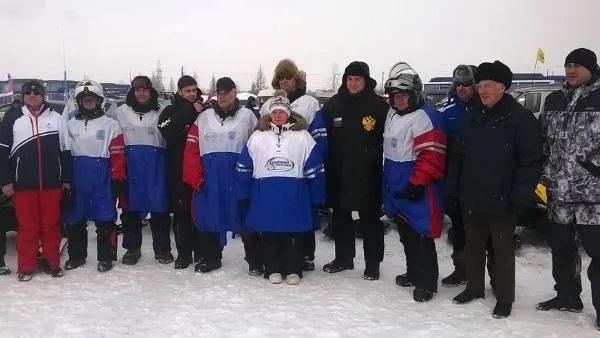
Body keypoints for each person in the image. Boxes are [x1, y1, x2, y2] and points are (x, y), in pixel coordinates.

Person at [446, 61, 542, 318]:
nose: (483, 90)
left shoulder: (519, 118)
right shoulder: (472, 116)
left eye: (489, 85)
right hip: (472, 195)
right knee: (473, 246)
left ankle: (504, 297)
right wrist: (453, 190)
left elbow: (530, 161)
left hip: (503, 198)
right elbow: (458, 156)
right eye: (481, 85)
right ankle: (474, 288)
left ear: (503, 87)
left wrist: (521, 195)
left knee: (502, 251)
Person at [537, 48, 600, 330]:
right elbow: (542, 141)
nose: (571, 71)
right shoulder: (554, 98)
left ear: (591, 67)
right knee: (561, 248)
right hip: (558, 193)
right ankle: (567, 296)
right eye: (567, 66)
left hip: (592, 195)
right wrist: (544, 173)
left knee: (598, 253)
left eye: (576, 66)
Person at [236, 96, 325, 284]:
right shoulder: (257, 136)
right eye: (274, 112)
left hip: (294, 191)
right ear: (269, 115)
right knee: (269, 232)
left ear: (289, 114)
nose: (278, 115)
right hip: (265, 192)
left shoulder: (303, 136)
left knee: (293, 232)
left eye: (282, 112)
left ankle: (293, 269)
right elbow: (245, 165)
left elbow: (314, 166)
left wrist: (317, 194)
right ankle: (272, 268)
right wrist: (242, 191)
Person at [382, 62, 446, 302]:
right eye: (395, 96)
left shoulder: (426, 116)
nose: (398, 100)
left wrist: (417, 183)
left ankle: (426, 282)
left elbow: (430, 155)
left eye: (403, 95)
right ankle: (412, 272)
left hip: (416, 181)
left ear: (414, 94)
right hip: (394, 178)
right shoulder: (394, 114)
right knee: (406, 233)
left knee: (421, 234)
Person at [183, 77, 258, 273]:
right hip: (210, 178)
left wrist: (254, 177)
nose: (223, 96)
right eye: (220, 92)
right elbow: (191, 149)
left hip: (239, 176)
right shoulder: (204, 117)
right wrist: (195, 177)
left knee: (246, 216)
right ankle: (211, 257)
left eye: (227, 92)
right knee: (210, 215)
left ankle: (255, 260)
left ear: (235, 93)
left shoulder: (248, 116)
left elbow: (259, 145)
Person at [321, 61, 388, 280]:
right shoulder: (333, 105)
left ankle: (372, 263)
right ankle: (343, 258)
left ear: (366, 81)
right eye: (349, 79)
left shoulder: (379, 106)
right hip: (339, 170)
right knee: (340, 216)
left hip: (369, 172)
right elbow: (323, 136)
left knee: (370, 220)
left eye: (357, 79)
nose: (353, 83)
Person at [0, 80, 72, 281]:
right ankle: (26, 266)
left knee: (51, 225)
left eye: (37, 92)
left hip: (51, 184)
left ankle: (52, 263)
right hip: (23, 184)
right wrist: (5, 180)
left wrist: (66, 179)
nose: (33, 95)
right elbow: (2, 152)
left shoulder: (57, 119)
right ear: (23, 96)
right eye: (29, 92)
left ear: (43, 95)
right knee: (27, 227)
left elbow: (66, 151)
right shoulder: (13, 118)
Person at [260, 59, 327, 272]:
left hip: (302, 163)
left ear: (296, 79)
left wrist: (317, 162)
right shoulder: (269, 103)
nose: (284, 82)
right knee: (278, 213)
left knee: (303, 211)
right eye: (281, 78)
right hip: (275, 166)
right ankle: (276, 256)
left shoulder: (308, 102)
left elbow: (319, 135)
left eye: (288, 77)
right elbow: (261, 132)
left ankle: (306, 254)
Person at [440, 65, 497, 288]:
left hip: (485, 182)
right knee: (460, 229)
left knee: (490, 233)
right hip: (456, 182)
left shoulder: (487, 107)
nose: (462, 88)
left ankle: (496, 278)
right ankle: (461, 270)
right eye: (458, 84)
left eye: (467, 83)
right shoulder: (447, 112)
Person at [62, 81, 125, 272]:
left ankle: (106, 257)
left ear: (99, 101)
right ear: (78, 102)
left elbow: (118, 154)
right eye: (84, 99)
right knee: (74, 219)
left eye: (92, 99)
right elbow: (63, 152)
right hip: (76, 176)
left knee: (105, 219)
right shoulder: (69, 125)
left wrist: (117, 178)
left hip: (102, 176)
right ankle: (77, 256)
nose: (88, 102)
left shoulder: (111, 125)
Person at [114, 76, 173, 265]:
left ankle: (162, 249)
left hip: (156, 163)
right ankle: (132, 249)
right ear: (132, 91)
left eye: (145, 89)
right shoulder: (121, 111)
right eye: (137, 89)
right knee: (130, 209)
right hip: (131, 164)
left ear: (151, 91)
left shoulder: (162, 110)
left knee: (159, 209)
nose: (141, 93)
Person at [158, 75, 204, 269]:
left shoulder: (205, 110)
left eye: (194, 90)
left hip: (200, 168)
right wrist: (187, 111)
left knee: (199, 211)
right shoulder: (170, 110)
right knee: (181, 212)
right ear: (179, 91)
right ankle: (183, 254)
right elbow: (164, 129)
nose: (192, 94)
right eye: (187, 91)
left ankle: (203, 252)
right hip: (177, 169)